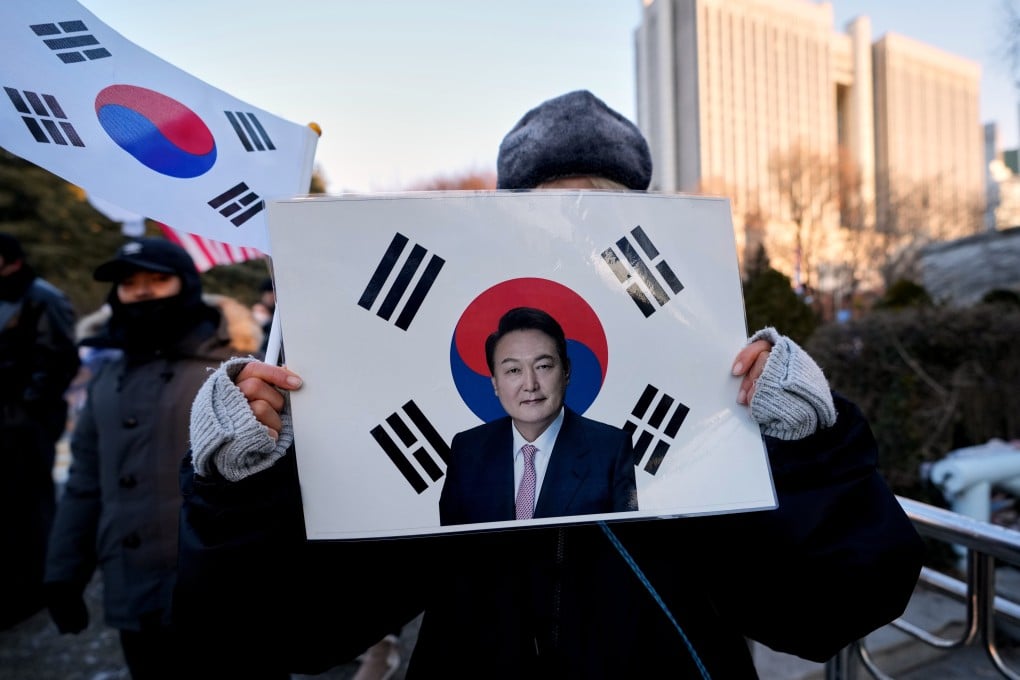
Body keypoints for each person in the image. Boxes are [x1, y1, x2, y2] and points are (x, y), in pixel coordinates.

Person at [174, 90, 924, 678]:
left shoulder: (712, 399)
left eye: (600, 213)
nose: (575, 238)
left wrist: (809, 445)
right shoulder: (448, 453)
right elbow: (293, 631)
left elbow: (835, 606)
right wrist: (243, 485)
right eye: (549, 215)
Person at [43, 237, 262, 679]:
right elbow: (86, 479)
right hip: (135, 591)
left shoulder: (239, 372)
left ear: (186, 284)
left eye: (157, 280)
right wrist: (64, 571)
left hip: (228, 596)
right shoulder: (106, 376)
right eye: (129, 283)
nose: (141, 291)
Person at [440, 306, 637, 525]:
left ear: (566, 371)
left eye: (543, 366)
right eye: (514, 370)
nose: (530, 384)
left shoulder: (612, 450)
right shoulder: (467, 451)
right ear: (495, 383)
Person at [0, 233, 79, 631]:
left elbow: (58, 359)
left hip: (23, 425)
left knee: (28, 507)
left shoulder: (42, 297)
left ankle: (34, 589)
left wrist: (28, 410)